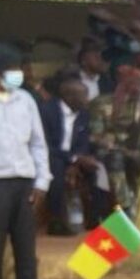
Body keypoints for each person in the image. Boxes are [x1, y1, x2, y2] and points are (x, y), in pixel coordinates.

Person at [0, 43, 50, 279]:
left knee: (26, 246)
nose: (19, 73)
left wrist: (42, 182)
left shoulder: (25, 100)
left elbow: (38, 143)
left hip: (24, 183)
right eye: (13, 69)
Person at [41, 74, 100, 235]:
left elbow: (83, 142)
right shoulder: (47, 111)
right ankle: (57, 221)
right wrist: (72, 159)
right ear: (68, 96)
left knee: (95, 169)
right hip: (50, 156)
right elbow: (45, 145)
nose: (87, 100)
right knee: (57, 169)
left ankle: (94, 218)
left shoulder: (84, 114)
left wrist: (77, 162)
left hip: (74, 157)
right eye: (84, 96)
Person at [89, 53, 140, 217]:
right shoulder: (102, 103)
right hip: (112, 150)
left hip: (138, 148)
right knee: (116, 158)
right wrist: (122, 149)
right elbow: (96, 135)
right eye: (136, 81)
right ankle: (126, 209)